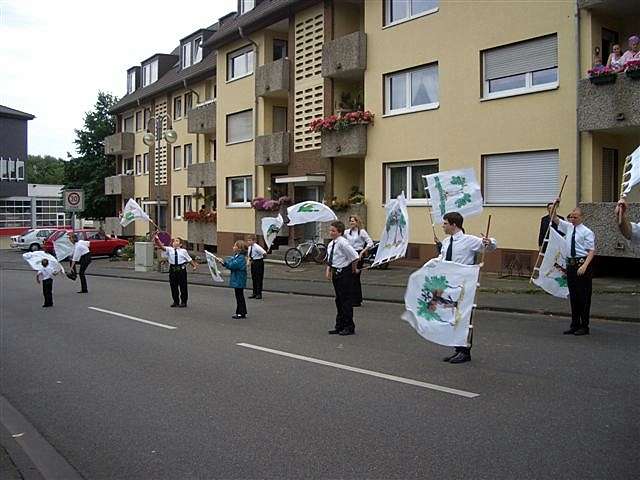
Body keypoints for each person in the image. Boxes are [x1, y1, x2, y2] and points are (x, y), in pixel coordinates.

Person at [439, 212, 497, 364]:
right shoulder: (446, 242)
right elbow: (442, 258)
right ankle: (458, 349)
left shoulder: (468, 240)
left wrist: (488, 242)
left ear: (454, 225)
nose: (443, 226)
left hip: (464, 285)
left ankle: (465, 351)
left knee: (464, 318)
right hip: (450, 285)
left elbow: (491, 246)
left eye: (445, 223)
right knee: (454, 317)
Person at [552, 201, 596, 336]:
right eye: (571, 216)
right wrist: (555, 205)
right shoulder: (569, 227)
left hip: (581, 264)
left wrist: (584, 266)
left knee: (584, 297)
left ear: (581, 217)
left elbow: (591, 251)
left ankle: (584, 326)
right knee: (574, 296)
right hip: (571, 265)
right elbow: (553, 217)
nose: (572, 219)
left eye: (575, 217)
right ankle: (575, 324)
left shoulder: (586, 232)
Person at [326, 221, 360, 336]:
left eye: (333, 231)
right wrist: (328, 270)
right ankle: (339, 325)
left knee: (346, 300)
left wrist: (354, 269)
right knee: (339, 300)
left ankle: (349, 326)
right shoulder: (332, 244)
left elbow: (355, 256)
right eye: (330, 230)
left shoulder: (343, 243)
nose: (331, 232)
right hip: (336, 272)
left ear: (339, 232)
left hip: (344, 273)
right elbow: (331, 259)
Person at [154, 237, 197, 307]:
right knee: (173, 286)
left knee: (183, 286)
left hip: (181, 270)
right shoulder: (169, 249)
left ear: (180, 244)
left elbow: (189, 259)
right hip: (173, 269)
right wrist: (157, 239)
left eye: (177, 241)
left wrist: (194, 266)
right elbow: (161, 246)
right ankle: (175, 301)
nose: (174, 242)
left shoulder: (183, 251)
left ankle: (183, 301)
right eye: (173, 241)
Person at [343, 215, 373, 307]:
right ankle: (350, 298)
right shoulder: (347, 232)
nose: (352, 223)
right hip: (350, 255)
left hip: (358, 255)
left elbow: (370, 243)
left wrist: (362, 252)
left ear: (357, 222)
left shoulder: (362, 232)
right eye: (350, 221)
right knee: (349, 277)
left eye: (353, 221)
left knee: (355, 277)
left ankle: (356, 300)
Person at [222, 240, 248, 318]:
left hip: (239, 279)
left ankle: (241, 312)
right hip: (237, 279)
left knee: (240, 296)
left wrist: (225, 264)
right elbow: (230, 262)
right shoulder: (236, 256)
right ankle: (239, 311)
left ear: (239, 249)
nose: (233, 247)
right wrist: (224, 262)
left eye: (235, 246)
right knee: (238, 296)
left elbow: (233, 265)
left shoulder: (241, 258)